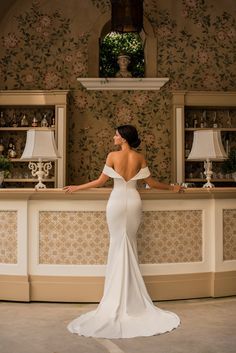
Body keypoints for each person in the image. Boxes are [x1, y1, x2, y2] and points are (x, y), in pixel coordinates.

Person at [64, 125, 181, 339]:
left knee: (117, 245)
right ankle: (132, 299)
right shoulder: (139, 157)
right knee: (129, 244)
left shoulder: (112, 156)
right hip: (134, 202)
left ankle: (115, 298)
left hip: (117, 203)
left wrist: (76, 187)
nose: (114, 136)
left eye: (117, 134)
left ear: (124, 138)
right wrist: (173, 188)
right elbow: (152, 183)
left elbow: (100, 182)